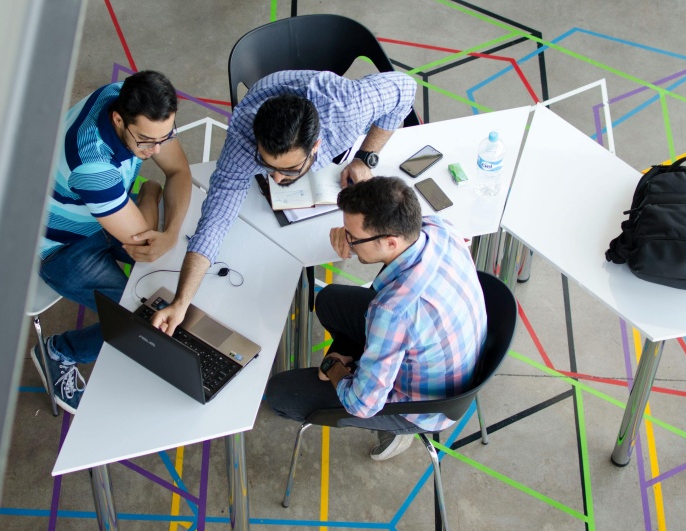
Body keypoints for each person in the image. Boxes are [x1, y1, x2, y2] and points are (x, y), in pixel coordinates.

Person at [149, 70, 417, 336]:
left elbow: (406, 88)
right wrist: (181, 301)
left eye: (288, 170)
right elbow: (214, 221)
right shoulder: (243, 139)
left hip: (328, 99)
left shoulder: (348, 109)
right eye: (267, 165)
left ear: (316, 147)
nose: (276, 179)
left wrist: (365, 156)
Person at [265, 177, 487, 460]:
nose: (347, 242)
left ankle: (395, 430)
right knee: (329, 300)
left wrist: (334, 366)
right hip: (450, 356)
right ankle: (362, 363)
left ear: (390, 241)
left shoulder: (393, 311)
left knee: (281, 393)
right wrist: (348, 233)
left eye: (353, 238)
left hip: (422, 406)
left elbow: (361, 404)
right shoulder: (438, 228)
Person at [32, 70, 192, 413]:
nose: (157, 149)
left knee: (172, 267)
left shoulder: (129, 98)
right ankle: (60, 351)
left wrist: (172, 232)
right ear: (118, 119)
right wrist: (150, 193)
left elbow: (179, 171)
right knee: (137, 321)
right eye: (147, 141)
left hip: (102, 213)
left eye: (166, 136)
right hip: (61, 247)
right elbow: (146, 244)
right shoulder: (93, 166)